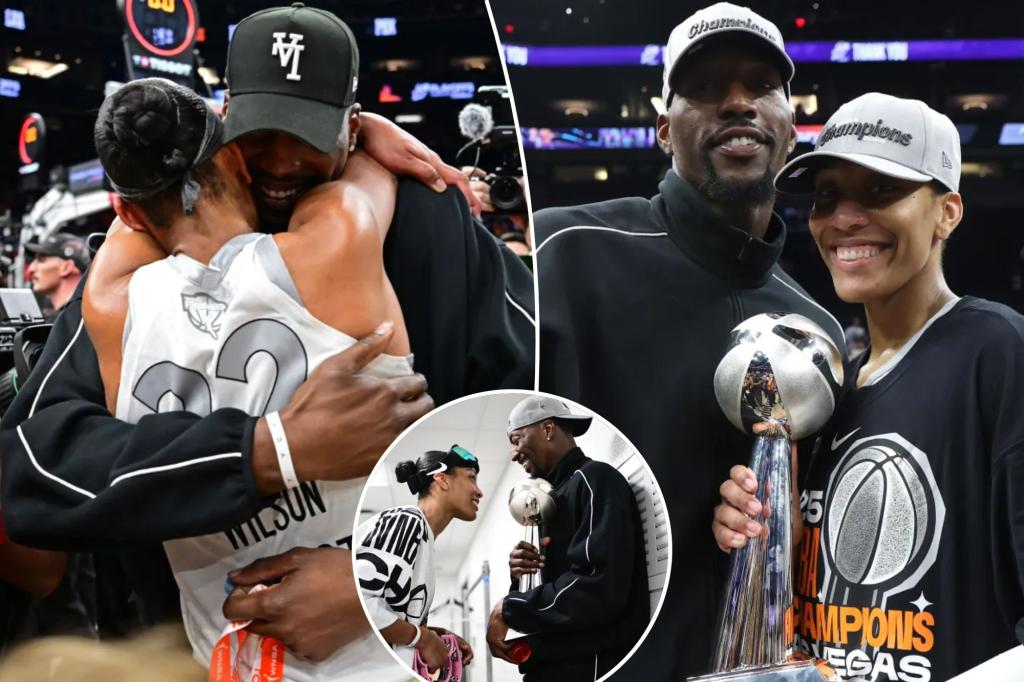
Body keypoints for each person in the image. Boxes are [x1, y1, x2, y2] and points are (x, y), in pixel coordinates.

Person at [0, 2, 533, 661]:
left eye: (308, 132)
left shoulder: (426, 222)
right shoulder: (149, 253)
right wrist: (259, 453)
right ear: (224, 124)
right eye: (260, 132)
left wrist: (379, 582)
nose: (280, 160)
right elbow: (34, 473)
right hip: (202, 655)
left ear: (351, 125)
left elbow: (537, 430)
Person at [533, 4, 844, 678]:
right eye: (704, 88)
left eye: (762, 85)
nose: (738, 102)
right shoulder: (564, 252)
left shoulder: (812, 324)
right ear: (662, 130)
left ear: (791, 129)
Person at [86, 76, 420, 678]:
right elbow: (365, 175)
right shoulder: (337, 236)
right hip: (384, 648)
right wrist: (363, 129)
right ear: (236, 158)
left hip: (235, 657)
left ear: (128, 210)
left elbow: (129, 224)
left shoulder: (108, 306)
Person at [713, 93, 1024, 680]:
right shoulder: (831, 392)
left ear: (947, 212)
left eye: (881, 190)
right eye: (826, 196)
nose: (844, 218)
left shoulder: (998, 353)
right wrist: (781, 542)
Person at [485, 396, 649, 681]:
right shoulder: (551, 498)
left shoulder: (595, 479)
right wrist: (521, 577)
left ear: (548, 429)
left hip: (589, 666)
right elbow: (559, 587)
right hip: (550, 666)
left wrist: (510, 608)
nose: (513, 454)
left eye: (516, 439)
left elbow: (596, 587)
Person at [356, 446, 481, 678]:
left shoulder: (424, 541)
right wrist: (422, 639)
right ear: (442, 479)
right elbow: (358, 603)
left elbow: (387, 612)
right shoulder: (408, 521)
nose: (479, 491)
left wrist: (433, 633)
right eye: (471, 478)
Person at [25, 233, 90, 316]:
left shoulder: (82, 318)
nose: (31, 269)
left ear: (67, 268)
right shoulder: (82, 316)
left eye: (41, 260)